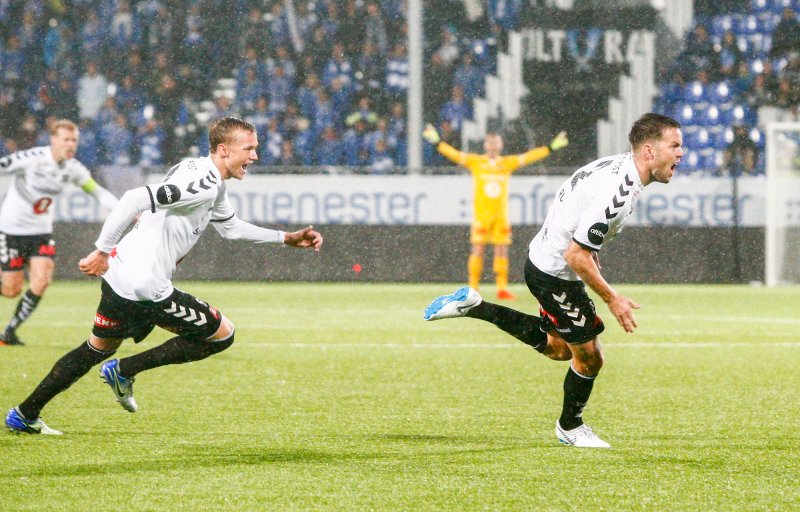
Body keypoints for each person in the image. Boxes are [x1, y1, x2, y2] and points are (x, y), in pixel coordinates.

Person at [5, 117, 323, 435]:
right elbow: (133, 199)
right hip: (146, 286)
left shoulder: (200, 172)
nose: (255, 156)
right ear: (224, 150)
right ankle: (125, 370)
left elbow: (230, 227)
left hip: (120, 276)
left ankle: (25, 413)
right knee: (222, 335)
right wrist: (101, 250)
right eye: (249, 149)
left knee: (96, 348)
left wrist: (286, 238)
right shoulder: (205, 184)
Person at [423, 113, 683, 448]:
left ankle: (475, 306)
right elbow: (576, 254)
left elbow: (573, 207)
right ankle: (570, 427)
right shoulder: (617, 193)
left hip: (546, 261)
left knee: (559, 348)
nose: (680, 154)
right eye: (674, 146)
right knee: (590, 357)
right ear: (649, 151)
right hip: (555, 273)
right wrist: (611, 297)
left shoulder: (617, 166)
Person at [0, 119, 118, 347]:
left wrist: (126, 210)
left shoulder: (74, 169)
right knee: (11, 289)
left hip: (41, 233)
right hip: (11, 231)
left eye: (74, 140)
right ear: (53, 140)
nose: (71, 145)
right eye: (66, 139)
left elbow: (98, 192)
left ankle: (8, 333)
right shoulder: (31, 159)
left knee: (42, 281)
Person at [422, 124, 569, 300]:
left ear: (500, 145)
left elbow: (529, 157)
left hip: (500, 216)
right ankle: (473, 287)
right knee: (478, 250)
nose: (492, 146)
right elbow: (454, 155)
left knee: (501, 251)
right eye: (490, 143)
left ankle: (501, 288)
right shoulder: (476, 161)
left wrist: (550, 147)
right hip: (482, 216)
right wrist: (437, 142)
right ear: (485, 145)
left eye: (496, 143)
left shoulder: (506, 163)